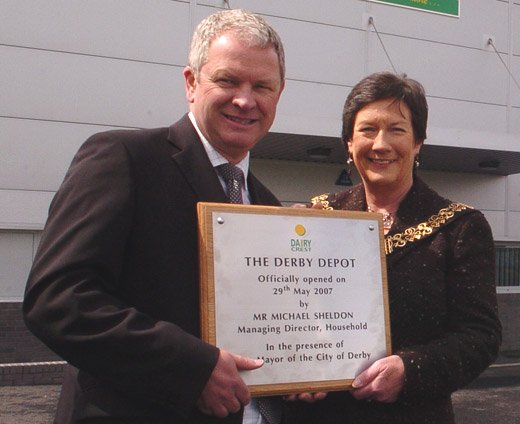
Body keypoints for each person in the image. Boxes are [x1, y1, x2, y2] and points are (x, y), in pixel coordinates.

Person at [23, 9, 286, 424]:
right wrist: (190, 366)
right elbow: (59, 300)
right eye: (228, 80)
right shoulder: (124, 159)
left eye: (262, 86)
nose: (245, 100)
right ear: (191, 83)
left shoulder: (271, 208)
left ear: (279, 94)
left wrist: (306, 369)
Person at [286, 72, 502, 423]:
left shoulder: (460, 227)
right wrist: (292, 368)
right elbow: (290, 311)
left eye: (397, 130)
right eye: (368, 130)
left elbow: (481, 336)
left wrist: (411, 369)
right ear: (349, 144)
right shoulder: (316, 217)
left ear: (418, 142)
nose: (381, 144)